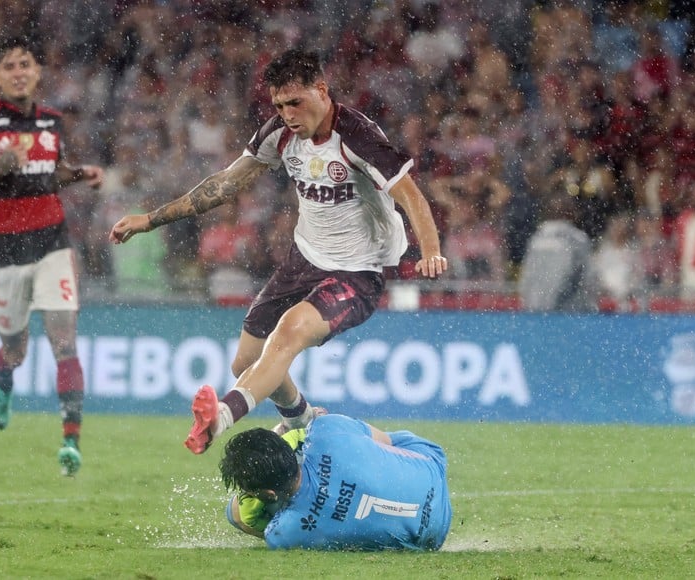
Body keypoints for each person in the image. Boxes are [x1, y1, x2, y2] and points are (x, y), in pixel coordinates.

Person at [109, 49, 446, 454]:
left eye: (295, 103)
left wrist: (431, 251)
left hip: (357, 272)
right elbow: (225, 184)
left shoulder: (357, 136)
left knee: (287, 333)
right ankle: (301, 419)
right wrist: (150, 219)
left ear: (321, 90)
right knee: (246, 362)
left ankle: (222, 417)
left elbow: (412, 197)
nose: (287, 114)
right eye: (280, 105)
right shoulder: (280, 134)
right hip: (303, 259)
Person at [0, 36, 104, 476]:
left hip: (52, 243)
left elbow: (51, 174)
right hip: (3, 252)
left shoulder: (52, 122)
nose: (18, 72)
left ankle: (71, 441)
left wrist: (79, 175)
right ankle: (4, 380)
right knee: (16, 349)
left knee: (64, 341)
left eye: (25, 64)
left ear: (37, 73)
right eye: (9, 66)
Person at [220, 413, 452, 551]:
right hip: (432, 468)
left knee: (237, 514)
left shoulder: (283, 534)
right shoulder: (326, 428)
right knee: (370, 444)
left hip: (430, 538)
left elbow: (239, 515)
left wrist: (243, 517)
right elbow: (385, 441)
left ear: (269, 493)